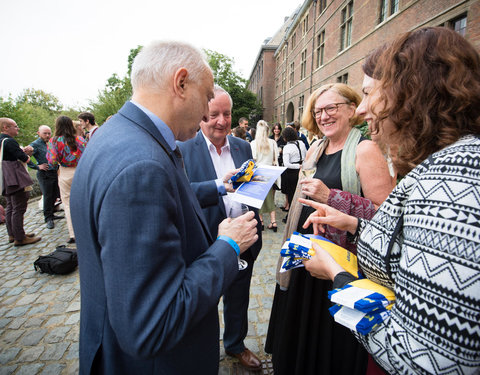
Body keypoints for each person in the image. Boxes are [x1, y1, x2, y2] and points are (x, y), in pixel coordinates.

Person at [70, 41, 259, 375]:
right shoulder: (142, 166)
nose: (207, 113)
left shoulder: (116, 135)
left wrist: (219, 187)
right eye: (206, 96)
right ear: (181, 82)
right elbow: (153, 323)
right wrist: (227, 246)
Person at [299, 27, 480, 375]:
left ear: (411, 92)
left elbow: (425, 362)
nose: (363, 108)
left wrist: (337, 276)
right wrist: (353, 225)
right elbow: (413, 250)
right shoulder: (442, 165)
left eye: (368, 94)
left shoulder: (450, 181)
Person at [265, 83, 394, 375]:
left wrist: (330, 197)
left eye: (331, 108)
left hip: (340, 265)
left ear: (352, 109)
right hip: (306, 255)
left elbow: (384, 217)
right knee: (301, 327)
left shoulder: (366, 150)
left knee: (328, 339)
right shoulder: (316, 148)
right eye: (318, 111)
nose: (323, 116)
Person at [178, 85, 263, 371]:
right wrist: (217, 187)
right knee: (203, 302)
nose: (222, 121)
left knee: (238, 297)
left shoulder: (243, 146)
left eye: (226, 114)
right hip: (206, 242)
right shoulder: (183, 148)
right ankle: (201, 352)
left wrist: (256, 213)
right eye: (214, 114)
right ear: (202, 114)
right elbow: (179, 192)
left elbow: (250, 185)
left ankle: (235, 345)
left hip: (245, 240)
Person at [0, 118, 41, 246]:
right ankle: (20, 238)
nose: (17, 128)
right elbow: (24, 158)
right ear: (6, 127)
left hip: (5, 179)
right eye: (15, 126)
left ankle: (13, 234)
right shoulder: (9, 141)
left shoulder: (1, 141)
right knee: (19, 206)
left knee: (11, 206)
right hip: (15, 178)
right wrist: (27, 153)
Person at [47, 116, 86, 244]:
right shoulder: (80, 139)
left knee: (68, 204)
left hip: (65, 173)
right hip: (81, 171)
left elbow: (51, 162)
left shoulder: (54, 141)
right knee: (84, 200)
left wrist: (56, 166)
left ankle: (73, 234)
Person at [28, 125, 63, 229]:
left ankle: (52, 213)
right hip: (44, 174)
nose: (47, 135)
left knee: (55, 194)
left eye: (49, 133)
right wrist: (37, 167)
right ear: (38, 133)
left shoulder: (51, 142)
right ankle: (48, 218)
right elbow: (25, 157)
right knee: (47, 196)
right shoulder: (35, 145)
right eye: (45, 133)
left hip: (55, 172)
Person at [250, 120, 279, 232]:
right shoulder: (272, 142)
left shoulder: (253, 143)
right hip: (270, 172)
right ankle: (273, 221)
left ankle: (261, 221)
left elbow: (253, 159)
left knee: (259, 198)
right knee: (270, 197)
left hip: (258, 172)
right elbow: (275, 159)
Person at [280, 126, 307, 224]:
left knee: (292, 196)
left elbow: (286, 164)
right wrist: (301, 165)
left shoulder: (287, 147)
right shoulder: (301, 143)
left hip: (292, 173)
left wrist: (297, 166)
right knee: (300, 193)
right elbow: (306, 155)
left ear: (285, 137)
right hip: (302, 171)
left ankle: (292, 217)